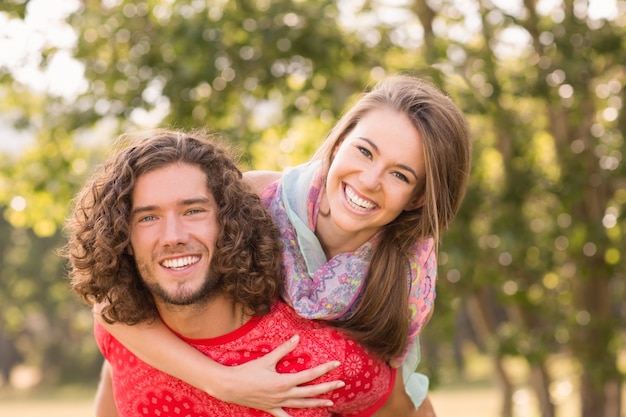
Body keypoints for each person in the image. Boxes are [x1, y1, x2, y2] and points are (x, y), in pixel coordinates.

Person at [93, 74, 471, 416]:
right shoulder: (259, 200)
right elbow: (112, 299)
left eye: (400, 174)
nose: (370, 180)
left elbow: (398, 396)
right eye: (364, 151)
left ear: (418, 198)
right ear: (338, 143)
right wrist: (223, 382)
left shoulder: (405, 277)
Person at [63, 129, 401, 416]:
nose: (174, 236)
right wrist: (221, 382)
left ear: (230, 222)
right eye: (147, 218)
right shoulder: (122, 326)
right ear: (122, 237)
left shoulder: (327, 362)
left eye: (193, 210)